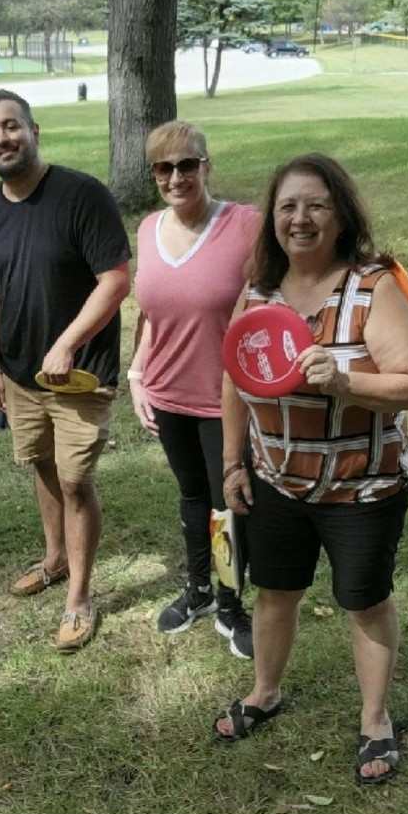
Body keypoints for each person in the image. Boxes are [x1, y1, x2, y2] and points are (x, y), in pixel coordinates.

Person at [211, 154, 408, 791]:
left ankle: (375, 718)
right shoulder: (258, 293)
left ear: (340, 215)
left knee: (363, 601)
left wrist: (345, 380)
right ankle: (265, 692)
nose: (299, 219)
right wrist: (233, 463)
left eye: (315, 206)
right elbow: (233, 382)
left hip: (363, 486)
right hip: (279, 480)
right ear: (272, 219)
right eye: (286, 207)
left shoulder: (373, 286)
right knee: (275, 592)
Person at [0, 89, 131, 651]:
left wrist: (67, 343)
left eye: (11, 126)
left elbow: (115, 278)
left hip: (78, 373)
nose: (3, 139)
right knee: (39, 464)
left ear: (34, 129)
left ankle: (80, 597)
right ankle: (55, 558)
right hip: (18, 375)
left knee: (73, 478)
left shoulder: (82, 195)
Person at [129, 120, 262, 658]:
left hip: (224, 396)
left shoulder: (245, 225)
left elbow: (270, 300)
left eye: (188, 164)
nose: (177, 175)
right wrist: (138, 374)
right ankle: (200, 591)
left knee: (226, 504)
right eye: (165, 167)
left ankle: (231, 605)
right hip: (167, 390)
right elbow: (149, 315)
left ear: (207, 166)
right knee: (190, 497)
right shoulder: (147, 229)